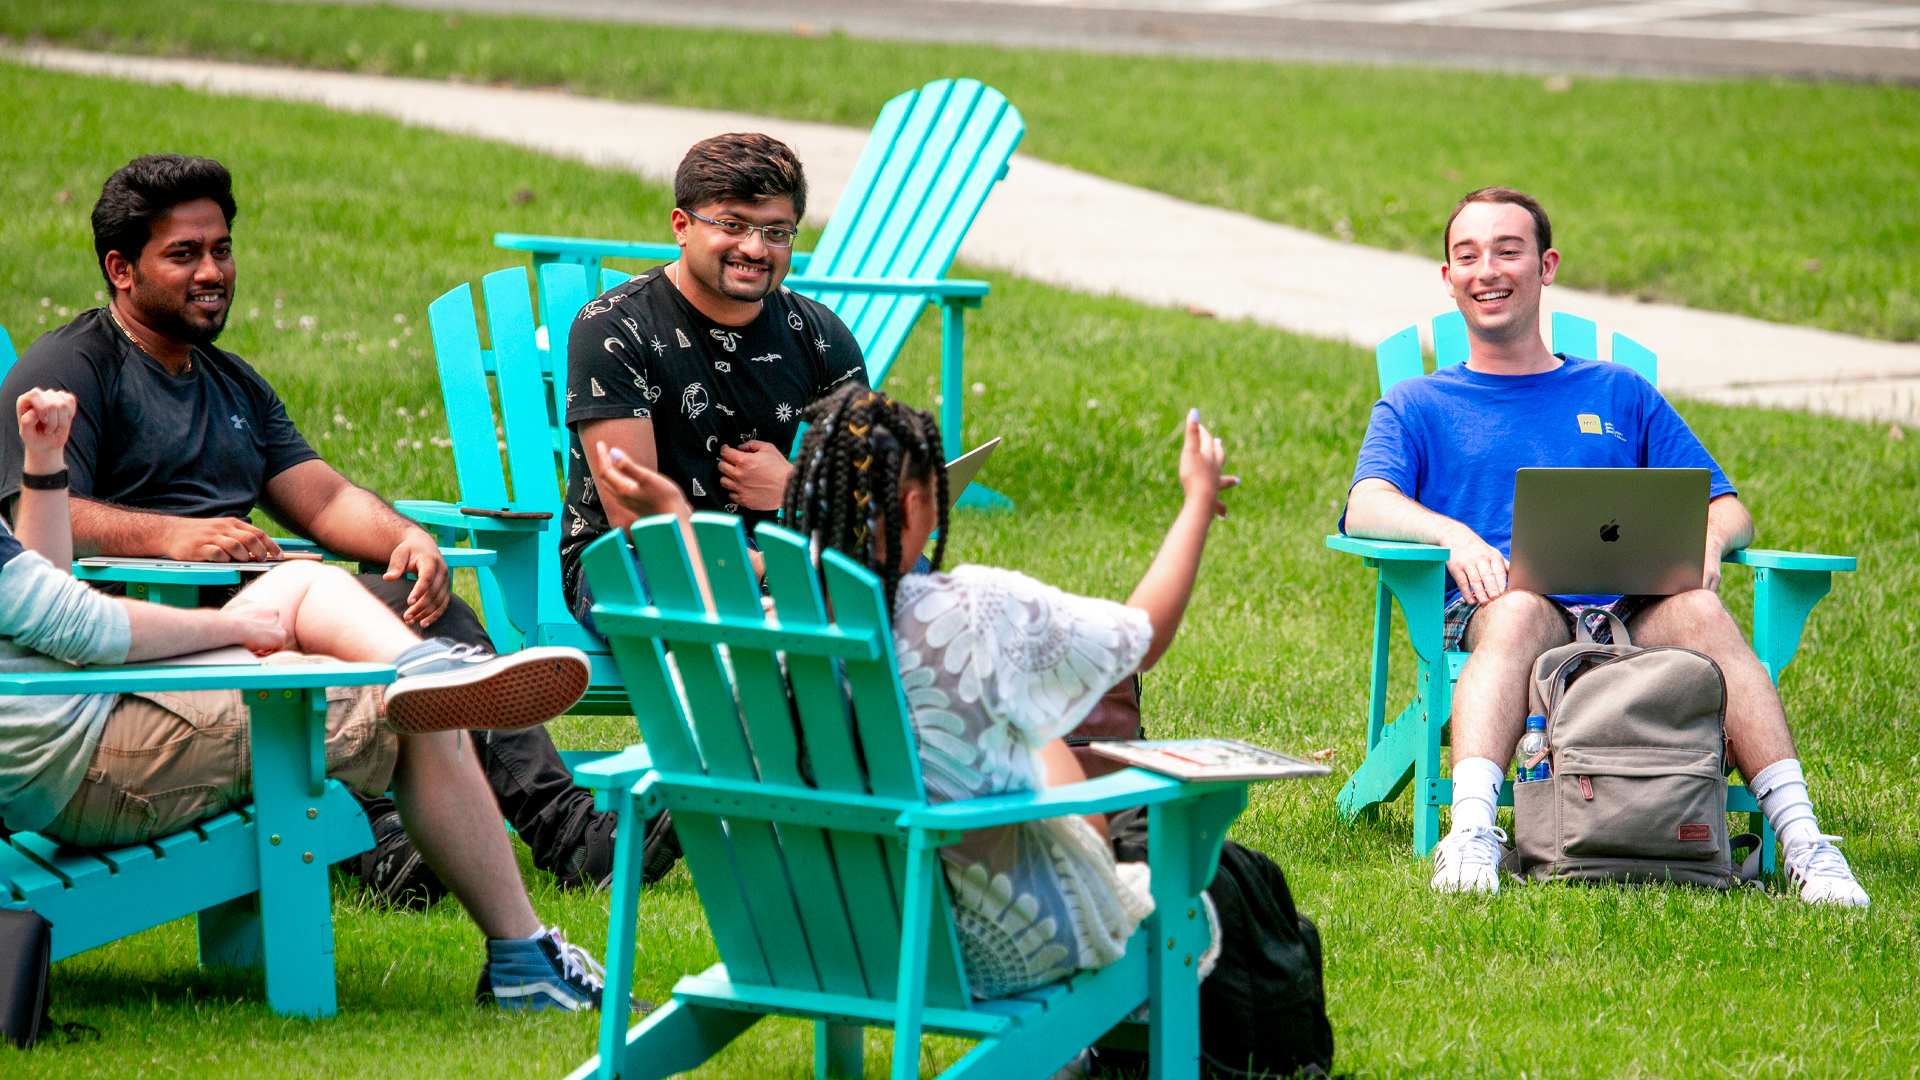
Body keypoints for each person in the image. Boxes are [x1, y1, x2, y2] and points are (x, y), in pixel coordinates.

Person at [0, 154, 620, 903]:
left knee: (418, 603)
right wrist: (169, 537)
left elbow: (322, 498)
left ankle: (558, 830)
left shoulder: (232, 381)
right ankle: (396, 840)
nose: (212, 272)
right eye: (184, 254)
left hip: (262, 601)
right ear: (120, 269)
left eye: (222, 251)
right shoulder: (75, 366)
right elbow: (35, 517)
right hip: (162, 629)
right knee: (379, 634)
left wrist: (403, 540)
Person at [1, 386, 628, 1012]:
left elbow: (36, 597)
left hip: (75, 716)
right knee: (406, 712)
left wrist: (44, 461)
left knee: (302, 583)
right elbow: (79, 624)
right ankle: (525, 962)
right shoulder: (85, 359)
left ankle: (420, 661)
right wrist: (232, 630)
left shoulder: (225, 379)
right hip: (90, 759)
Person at [1340, 186, 1868, 906]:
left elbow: (1729, 505)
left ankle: (1804, 841)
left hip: (1629, 610)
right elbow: (1366, 504)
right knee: (1524, 607)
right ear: (1447, 279)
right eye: (1467, 256)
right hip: (1496, 612)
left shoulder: (1619, 391)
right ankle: (1470, 831)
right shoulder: (1419, 404)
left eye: (1508, 251)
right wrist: (1452, 533)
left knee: (1704, 615)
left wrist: (1710, 539)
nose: (1486, 270)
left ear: (1546, 265)